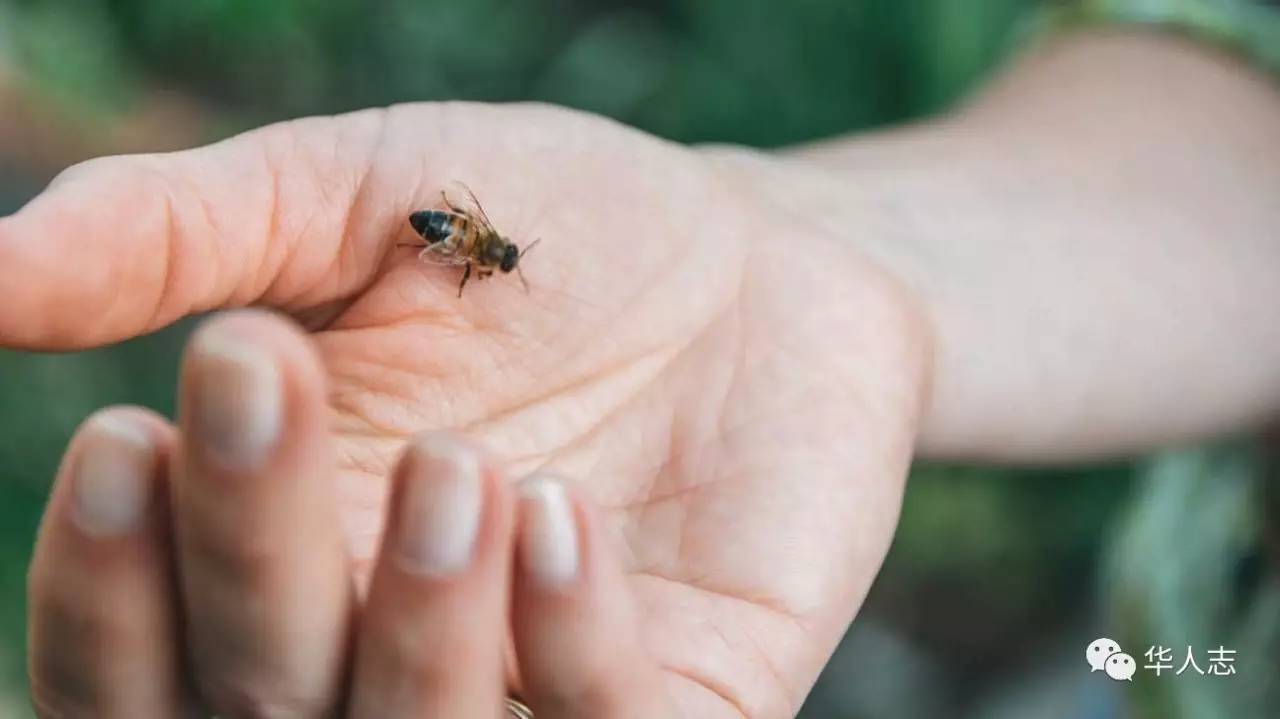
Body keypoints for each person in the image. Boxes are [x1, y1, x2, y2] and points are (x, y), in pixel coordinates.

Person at [7, 11, 1278, 719]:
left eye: (481, 251)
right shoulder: (470, 240)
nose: (482, 256)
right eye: (486, 252)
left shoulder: (472, 245)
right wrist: (822, 252)